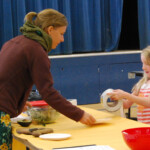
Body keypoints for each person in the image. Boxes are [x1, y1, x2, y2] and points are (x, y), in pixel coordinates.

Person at [0, 9, 96, 150]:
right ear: (50, 30)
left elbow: (8, 78)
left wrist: (17, 101)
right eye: (62, 34)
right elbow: (48, 93)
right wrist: (79, 114)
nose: (63, 39)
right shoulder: (36, 50)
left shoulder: (14, 42)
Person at [107, 46, 150, 125]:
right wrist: (116, 98)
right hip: (143, 128)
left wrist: (125, 95)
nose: (143, 67)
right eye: (142, 63)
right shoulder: (141, 84)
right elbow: (127, 104)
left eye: (147, 64)